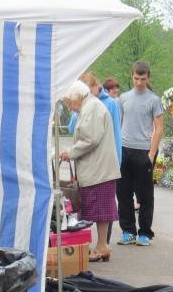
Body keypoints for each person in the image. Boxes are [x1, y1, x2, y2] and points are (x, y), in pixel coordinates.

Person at [59, 80, 120, 262]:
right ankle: (101, 246)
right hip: (98, 169)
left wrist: (70, 152)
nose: (70, 108)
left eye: (70, 103)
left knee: (98, 209)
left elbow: (90, 139)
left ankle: (101, 246)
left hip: (98, 170)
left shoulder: (91, 107)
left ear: (78, 96)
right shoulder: (90, 105)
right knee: (98, 210)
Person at [117, 60, 163, 247]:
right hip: (124, 150)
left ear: (148, 77)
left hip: (144, 151)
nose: (139, 82)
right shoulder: (123, 98)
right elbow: (118, 124)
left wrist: (151, 154)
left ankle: (145, 232)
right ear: (132, 76)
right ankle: (128, 230)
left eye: (142, 79)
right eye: (136, 78)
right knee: (123, 193)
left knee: (145, 195)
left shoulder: (154, 100)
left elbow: (159, 128)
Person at [70, 72, 123, 166]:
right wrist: (76, 113)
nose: (86, 96)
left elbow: (116, 132)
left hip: (104, 158)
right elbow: (71, 129)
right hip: (86, 158)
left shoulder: (111, 103)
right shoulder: (81, 103)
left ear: (96, 86)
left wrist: (117, 160)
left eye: (88, 92)